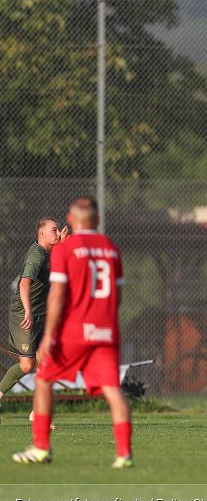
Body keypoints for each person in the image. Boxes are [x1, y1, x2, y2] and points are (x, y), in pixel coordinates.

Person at [12, 196, 132, 467]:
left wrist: (51, 335)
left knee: (43, 379)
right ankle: (124, 453)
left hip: (76, 330)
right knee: (113, 390)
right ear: (98, 220)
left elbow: (57, 296)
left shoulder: (67, 249)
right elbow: (119, 294)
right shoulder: (112, 249)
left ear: (71, 220)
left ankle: (41, 447)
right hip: (106, 331)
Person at [0, 218, 68, 410]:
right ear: (42, 234)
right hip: (24, 312)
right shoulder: (36, 256)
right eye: (53, 230)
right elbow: (23, 283)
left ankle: (39, 412)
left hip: (41, 312)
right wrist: (28, 310)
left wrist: (61, 244)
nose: (57, 232)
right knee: (27, 365)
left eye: (57, 230)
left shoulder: (48, 251)